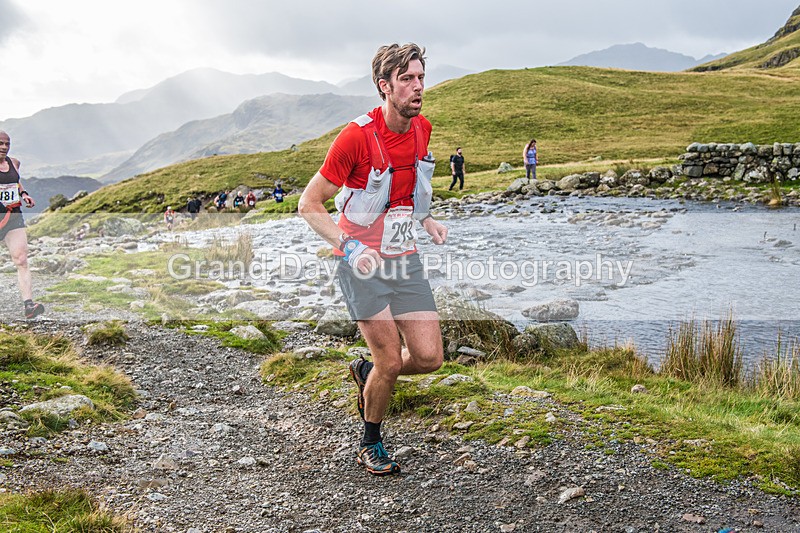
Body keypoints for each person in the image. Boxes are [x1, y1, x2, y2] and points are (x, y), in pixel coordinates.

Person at [299, 43, 447, 477]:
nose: (418, 87)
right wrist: (350, 247)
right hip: (361, 264)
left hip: (404, 257)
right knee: (389, 362)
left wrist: (427, 219)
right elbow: (309, 204)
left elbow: (405, 190)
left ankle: (366, 373)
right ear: (384, 87)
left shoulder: (422, 129)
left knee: (428, 358)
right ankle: (371, 441)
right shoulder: (356, 137)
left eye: (420, 77)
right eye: (407, 79)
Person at [0, 131, 44, 319]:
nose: (4, 147)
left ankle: (29, 305)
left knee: (21, 259)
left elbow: (16, 181)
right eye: (0, 143)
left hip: (14, 216)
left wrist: (24, 194)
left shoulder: (14, 162)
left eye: (7, 144)